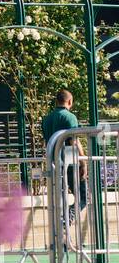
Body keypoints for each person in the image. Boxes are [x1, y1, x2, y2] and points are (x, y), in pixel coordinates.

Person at [41, 89, 87, 226]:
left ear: (56, 101)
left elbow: (47, 142)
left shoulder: (46, 119)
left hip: (54, 164)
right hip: (70, 164)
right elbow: (74, 141)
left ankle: (63, 238)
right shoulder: (70, 117)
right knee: (83, 197)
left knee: (60, 201)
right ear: (70, 101)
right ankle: (68, 218)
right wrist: (83, 162)